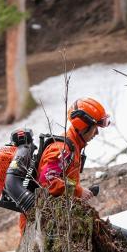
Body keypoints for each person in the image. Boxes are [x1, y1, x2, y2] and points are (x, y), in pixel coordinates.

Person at [18, 97, 111, 234]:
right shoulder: (63, 150)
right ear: (83, 126)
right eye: (95, 127)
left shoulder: (74, 147)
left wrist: (78, 191)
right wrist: (78, 191)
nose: (97, 133)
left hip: (51, 219)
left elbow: (62, 180)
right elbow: (48, 181)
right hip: (38, 223)